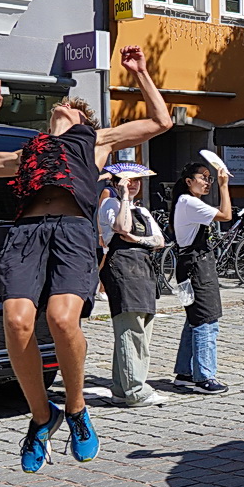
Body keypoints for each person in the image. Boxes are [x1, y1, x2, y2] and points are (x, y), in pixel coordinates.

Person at [0, 47, 172, 473]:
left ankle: (76, 408)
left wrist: (141, 73)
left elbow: (161, 122)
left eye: (70, 106)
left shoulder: (96, 140)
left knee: (61, 319)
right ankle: (42, 417)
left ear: (82, 119)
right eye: (60, 104)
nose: (62, 105)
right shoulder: (29, 153)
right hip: (26, 234)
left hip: (73, 232)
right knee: (17, 322)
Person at [97, 164, 165, 409]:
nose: (133, 184)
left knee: (141, 329)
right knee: (130, 330)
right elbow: (122, 228)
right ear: (116, 183)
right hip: (122, 268)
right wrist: (124, 197)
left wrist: (138, 240)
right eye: (127, 180)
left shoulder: (143, 211)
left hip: (143, 269)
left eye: (136, 180)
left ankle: (120, 389)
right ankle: (136, 390)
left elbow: (159, 241)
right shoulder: (110, 204)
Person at [171, 159, 232, 395]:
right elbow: (226, 215)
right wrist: (224, 186)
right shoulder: (189, 202)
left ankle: (185, 373)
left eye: (210, 178)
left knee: (193, 320)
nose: (208, 182)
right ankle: (204, 376)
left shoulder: (187, 201)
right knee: (206, 320)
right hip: (196, 267)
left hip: (190, 265)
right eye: (203, 177)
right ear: (189, 182)